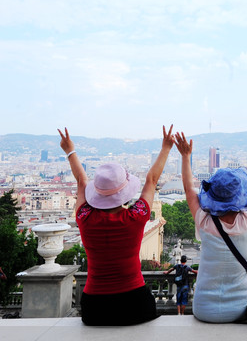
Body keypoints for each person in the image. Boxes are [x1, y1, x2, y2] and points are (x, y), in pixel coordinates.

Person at [58, 125, 174, 326]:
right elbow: (152, 180)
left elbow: (81, 181)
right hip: (135, 301)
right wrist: (166, 147)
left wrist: (70, 151)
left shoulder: (84, 218)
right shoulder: (136, 217)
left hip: (95, 306)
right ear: (125, 192)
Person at [174, 127, 247, 323]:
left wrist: (185, 156)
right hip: (241, 308)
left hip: (204, 309)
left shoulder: (204, 220)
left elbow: (187, 188)